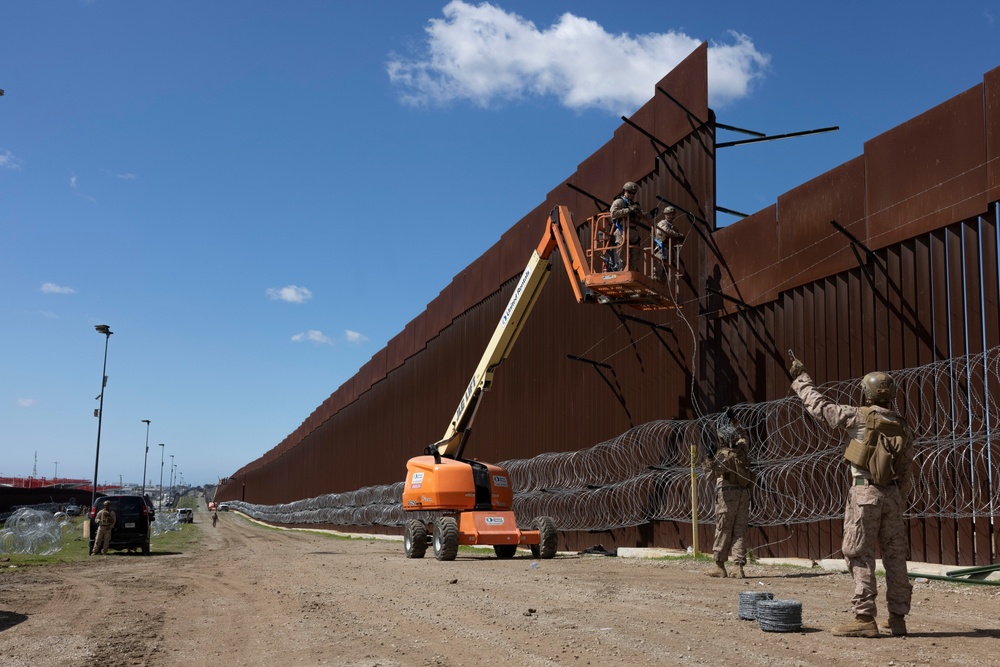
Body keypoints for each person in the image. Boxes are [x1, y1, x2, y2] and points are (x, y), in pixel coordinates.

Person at [789, 356, 913, 638]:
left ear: (866, 393)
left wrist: (801, 380)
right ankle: (897, 619)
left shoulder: (857, 415)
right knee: (895, 557)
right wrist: (896, 498)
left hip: (864, 491)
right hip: (892, 496)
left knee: (858, 553)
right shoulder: (903, 425)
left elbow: (820, 408)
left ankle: (864, 618)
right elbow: (907, 469)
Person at [703, 421, 755, 578]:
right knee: (739, 531)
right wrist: (735, 420)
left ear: (722, 440)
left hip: (727, 495)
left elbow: (709, 476)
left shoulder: (723, 456)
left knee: (723, 529)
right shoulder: (743, 450)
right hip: (743, 494)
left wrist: (709, 458)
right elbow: (744, 435)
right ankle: (738, 568)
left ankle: (719, 566)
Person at [608, 181, 645, 272]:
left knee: (635, 256)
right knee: (622, 255)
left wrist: (650, 215)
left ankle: (631, 271)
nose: (632, 195)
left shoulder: (634, 205)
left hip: (633, 233)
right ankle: (622, 271)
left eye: (634, 193)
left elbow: (641, 214)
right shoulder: (619, 202)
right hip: (622, 231)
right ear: (625, 191)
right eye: (630, 192)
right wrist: (627, 211)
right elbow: (613, 213)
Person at [652, 206, 684, 281]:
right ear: (665, 215)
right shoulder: (662, 223)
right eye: (668, 214)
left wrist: (680, 237)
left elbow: (676, 237)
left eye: (672, 214)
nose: (670, 216)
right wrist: (677, 235)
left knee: (665, 272)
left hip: (669, 251)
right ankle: (656, 285)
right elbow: (666, 231)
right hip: (661, 249)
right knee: (658, 270)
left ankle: (661, 288)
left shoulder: (673, 227)